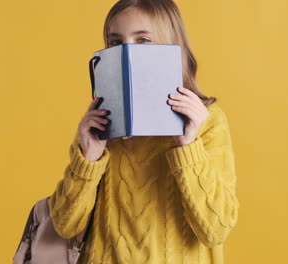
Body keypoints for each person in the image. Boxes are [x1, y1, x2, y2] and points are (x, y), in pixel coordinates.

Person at [47, 0, 240, 263]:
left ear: (172, 47)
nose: (128, 52)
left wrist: (188, 147)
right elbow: (64, 225)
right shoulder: (100, 125)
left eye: (144, 40)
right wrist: (88, 159)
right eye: (115, 42)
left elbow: (216, 229)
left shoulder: (209, 122)